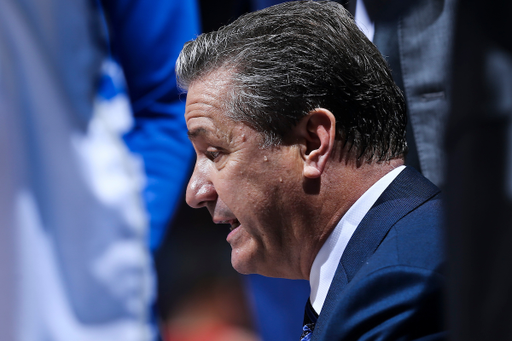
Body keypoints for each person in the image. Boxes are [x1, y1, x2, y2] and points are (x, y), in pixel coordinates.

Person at [176, 1, 446, 340]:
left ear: (312, 144)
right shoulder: (382, 265)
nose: (195, 192)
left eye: (215, 153)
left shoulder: (403, 288)